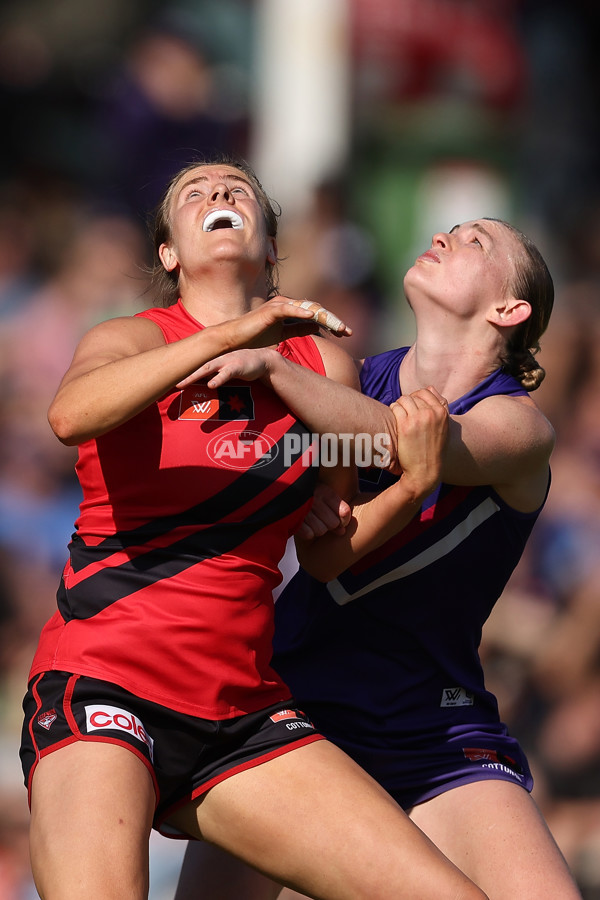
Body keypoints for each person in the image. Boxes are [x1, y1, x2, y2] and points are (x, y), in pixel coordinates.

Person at [19, 154, 487, 900]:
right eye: (194, 192)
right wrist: (234, 336)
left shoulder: (318, 366)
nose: (218, 192)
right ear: (169, 254)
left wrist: (414, 485)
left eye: (236, 189)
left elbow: (331, 550)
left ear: (270, 245)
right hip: (105, 683)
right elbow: (70, 416)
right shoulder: (134, 339)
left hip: (242, 711)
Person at [174, 217, 582, 899]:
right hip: (296, 709)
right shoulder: (352, 383)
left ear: (510, 311)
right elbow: (327, 552)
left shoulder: (519, 426)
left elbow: (406, 444)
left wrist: (275, 366)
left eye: (477, 242)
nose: (448, 237)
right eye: (451, 229)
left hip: (433, 722)